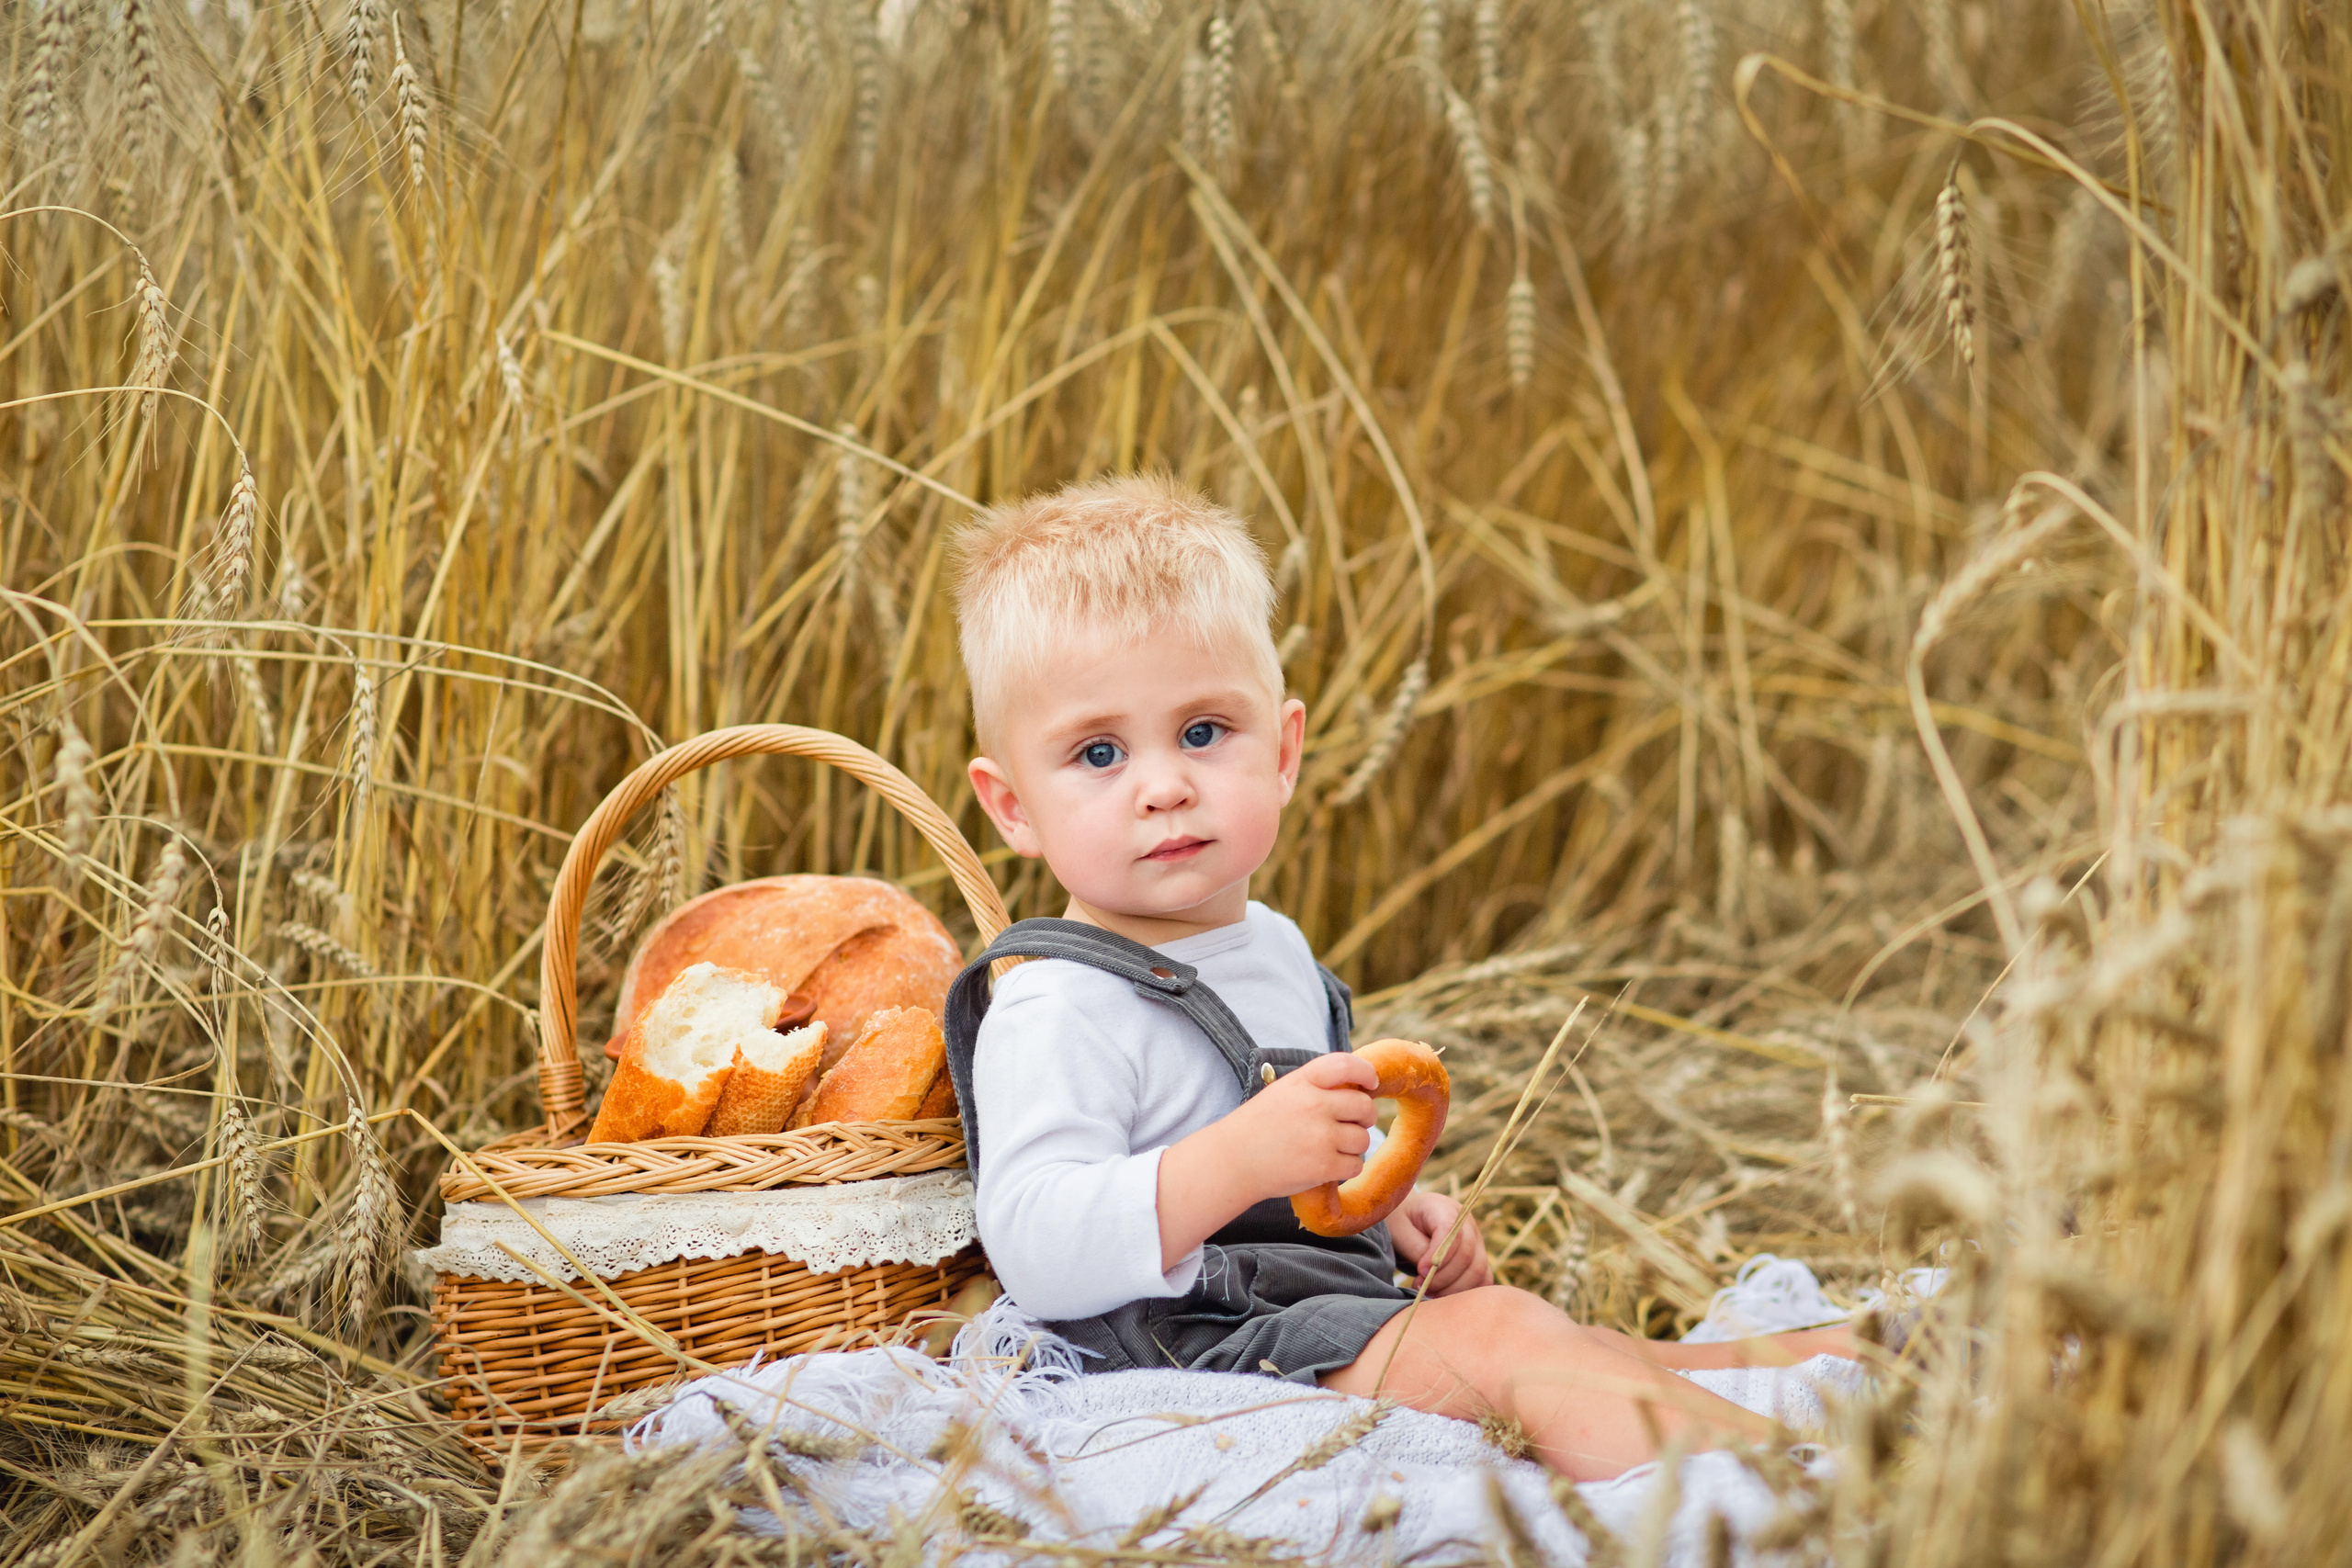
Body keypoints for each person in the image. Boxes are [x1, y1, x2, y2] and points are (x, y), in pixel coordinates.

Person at [939, 475, 1852, 1482]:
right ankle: (1812, 1491)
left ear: (1283, 752)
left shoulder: (1276, 949)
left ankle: (1838, 1371)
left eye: (1204, 733)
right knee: (1505, 1341)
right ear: (1012, 806)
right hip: (1189, 1350)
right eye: (1099, 753)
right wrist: (1239, 1161)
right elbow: (1035, 1242)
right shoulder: (1056, 1003)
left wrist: (1391, 1201)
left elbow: (1308, 1161)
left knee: (1572, 1343)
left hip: (1321, 1315)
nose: (1164, 787)